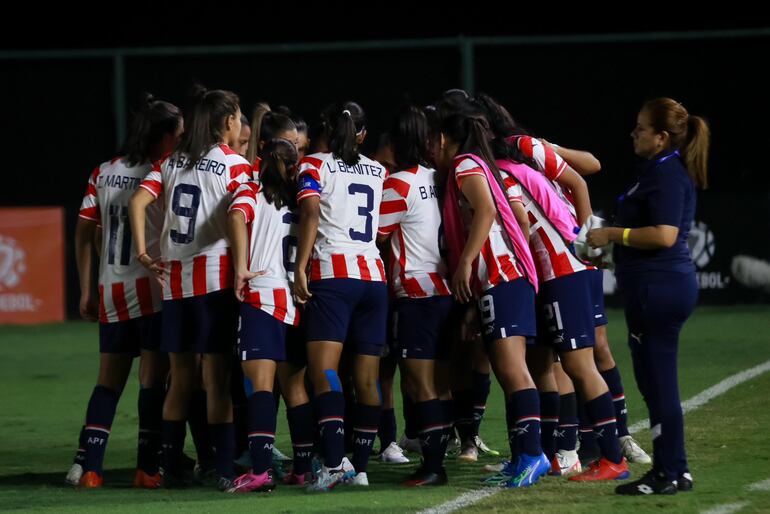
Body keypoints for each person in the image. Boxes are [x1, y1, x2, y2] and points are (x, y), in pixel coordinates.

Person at [129, 85, 251, 490]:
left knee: (179, 379)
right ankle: (223, 468)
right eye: (237, 117)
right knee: (215, 379)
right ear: (229, 121)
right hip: (215, 280)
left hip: (175, 284)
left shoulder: (169, 162)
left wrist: (146, 255)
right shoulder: (234, 163)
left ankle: (163, 467)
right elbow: (240, 216)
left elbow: (138, 203)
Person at [588, 97, 710, 495]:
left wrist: (612, 236)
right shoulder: (657, 170)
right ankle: (676, 468)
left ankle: (667, 472)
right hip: (656, 285)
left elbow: (664, 235)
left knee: (658, 384)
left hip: (659, 287)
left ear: (660, 138)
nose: (633, 134)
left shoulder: (667, 173)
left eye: (640, 128)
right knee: (655, 382)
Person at [67, 95, 182, 489]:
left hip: (111, 287)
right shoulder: (162, 172)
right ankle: (146, 469)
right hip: (151, 287)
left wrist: (86, 287)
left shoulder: (103, 172)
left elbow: (85, 232)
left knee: (108, 382)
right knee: (152, 380)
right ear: (164, 136)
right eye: (179, 132)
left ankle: (90, 468)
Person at [434, 108, 549, 489]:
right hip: (503, 279)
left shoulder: (465, 165)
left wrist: (465, 261)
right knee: (508, 370)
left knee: (513, 369)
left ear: (444, 140)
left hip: (503, 277)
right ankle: (524, 457)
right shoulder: (481, 164)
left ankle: (533, 456)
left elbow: (485, 211)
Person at [294, 101, 388, 492]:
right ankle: (361, 468)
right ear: (363, 134)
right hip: (374, 279)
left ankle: (334, 464)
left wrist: (300, 266)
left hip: (334, 275)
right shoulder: (379, 170)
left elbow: (311, 213)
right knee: (367, 378)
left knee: (324, 372)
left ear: (326, 129)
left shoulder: (313, 164)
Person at [378, 105, 455, 485]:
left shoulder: (398, 183)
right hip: (444, 288)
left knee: (418, 382)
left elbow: (374, 234)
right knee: (437, 383)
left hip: (416, 291)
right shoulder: (437, 177)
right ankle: (437, 459)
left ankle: (433, 466)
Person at [225, 137, 301, 493]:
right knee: (296, 386)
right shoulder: (302, 200)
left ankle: (259, 471)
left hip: (262, 296)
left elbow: (237, 217)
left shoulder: (251, 192)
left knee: (260, 386)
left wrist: (240, 266)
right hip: (294, 301)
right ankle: (302, 468)